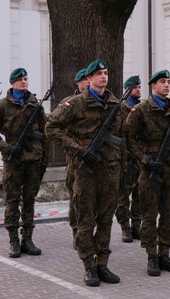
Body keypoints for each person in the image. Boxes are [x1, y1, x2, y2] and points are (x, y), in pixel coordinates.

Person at [45, 59, 122, 286]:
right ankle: (89, 266)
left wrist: (123, 169)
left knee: (106, 218)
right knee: (86, 219)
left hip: (109, 168)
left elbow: (122, 139)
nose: (103, 77)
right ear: (88, 79)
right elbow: (51, 128)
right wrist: (78, 149)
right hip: (85, 169)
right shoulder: (76, 104)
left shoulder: (115, 104)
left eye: (106, 73)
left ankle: (103, 264)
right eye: (98, 74)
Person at [125, 70, 170, 276]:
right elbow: (129, 139)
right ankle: (151, 256)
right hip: (150, 172)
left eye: (168, 82)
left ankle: (165, 254)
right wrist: (145, 160)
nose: (167, 85)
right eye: (162, 82)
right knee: (149, 215)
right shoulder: (141, 110)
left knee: (169, 214)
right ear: (153, 86)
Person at [0, 68, 48, 258]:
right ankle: (13, 241)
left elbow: (45, 132)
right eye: (20, 80)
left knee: (29, 200)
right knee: (12, 201)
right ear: (12, 83)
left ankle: (27, 239)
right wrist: (6, 148)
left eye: (26, 79)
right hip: (13, 159)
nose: (24, 82)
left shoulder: (35, 104)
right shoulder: (3, 105)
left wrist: (43, 157)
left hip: (33, 159)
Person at [59, 68, 90, 247]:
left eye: (89, 79)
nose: (87, 83)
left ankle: (88, 233)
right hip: (75, 159)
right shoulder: (68, 103)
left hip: (94, 159)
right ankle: (76, 230)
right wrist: (73, 145)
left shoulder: (96, 102)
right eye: (84, 80)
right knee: (75, 197)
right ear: (78, 83)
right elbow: (56, 129)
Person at [115, 75, 142, 243]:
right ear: (128, 89)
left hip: (140, 156)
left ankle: (136, 225)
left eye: (139, 87)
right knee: (123, 195)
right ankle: (125, 226)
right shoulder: (120, 108)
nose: (138, 90)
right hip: (125, 157)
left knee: (139, 194)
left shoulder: (143, 107)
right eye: (135, 87)